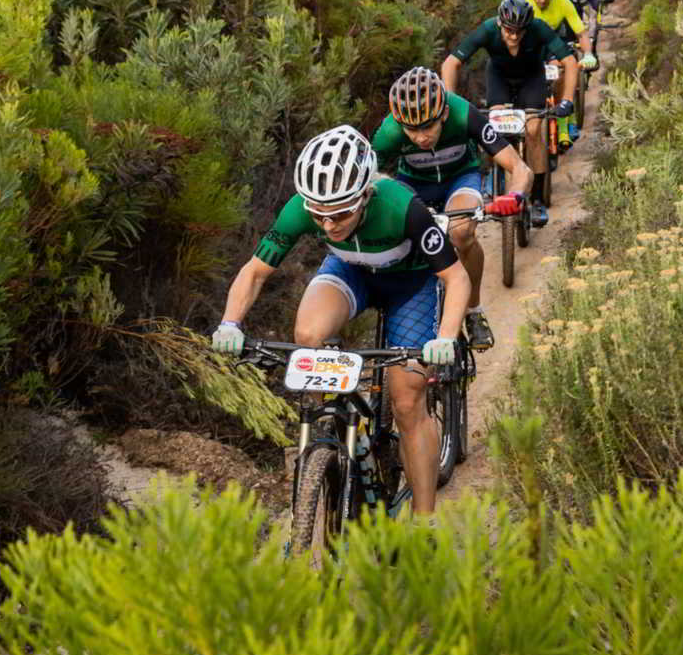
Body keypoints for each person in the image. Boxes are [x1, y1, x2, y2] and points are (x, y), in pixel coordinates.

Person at [210, 125, 521, 514]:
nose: (329, 225)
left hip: (410, 284)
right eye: (318, 215)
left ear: (365, 194)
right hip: (351, 274)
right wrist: (230, 323)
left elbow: (455, 277)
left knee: (407, 401)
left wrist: (444, 337)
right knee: (308, 334)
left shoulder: (401, 207)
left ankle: (423, 521)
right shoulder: (304, 208)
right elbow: (255, 271)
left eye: (341, 213)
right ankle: (328, 430)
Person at [372, 66, 533, 329]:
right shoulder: (390, 131)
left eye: (428, 126)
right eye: (411, 130)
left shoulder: (463, 113)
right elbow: (366, 176)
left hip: (460, 177)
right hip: (413, 184)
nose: (421, 137)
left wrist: (515, 195)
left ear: (444, 113)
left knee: (461, 233)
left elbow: (518, 167)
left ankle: (474, 310)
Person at [440, 0, 578, 227]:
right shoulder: (488, 29)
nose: (514, 36)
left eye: (519, 31)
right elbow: (450, 64)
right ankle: (493, 176)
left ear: (527, 27)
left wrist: (567, 100)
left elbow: (570, 61)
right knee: (494, 130)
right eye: (509, 30)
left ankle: (537, 199)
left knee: (533, 130)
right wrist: (450, 103)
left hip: (531, 78)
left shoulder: (538, 28)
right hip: (499, 78)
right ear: (499, 24)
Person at [522, 0, 598, 145]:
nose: (542, 0)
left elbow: (581, 33)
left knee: (559, 74)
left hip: (552, 44)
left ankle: (564, 124)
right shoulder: (522, 2)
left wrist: (588, 53)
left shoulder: (563, 2)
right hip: (528, 47)